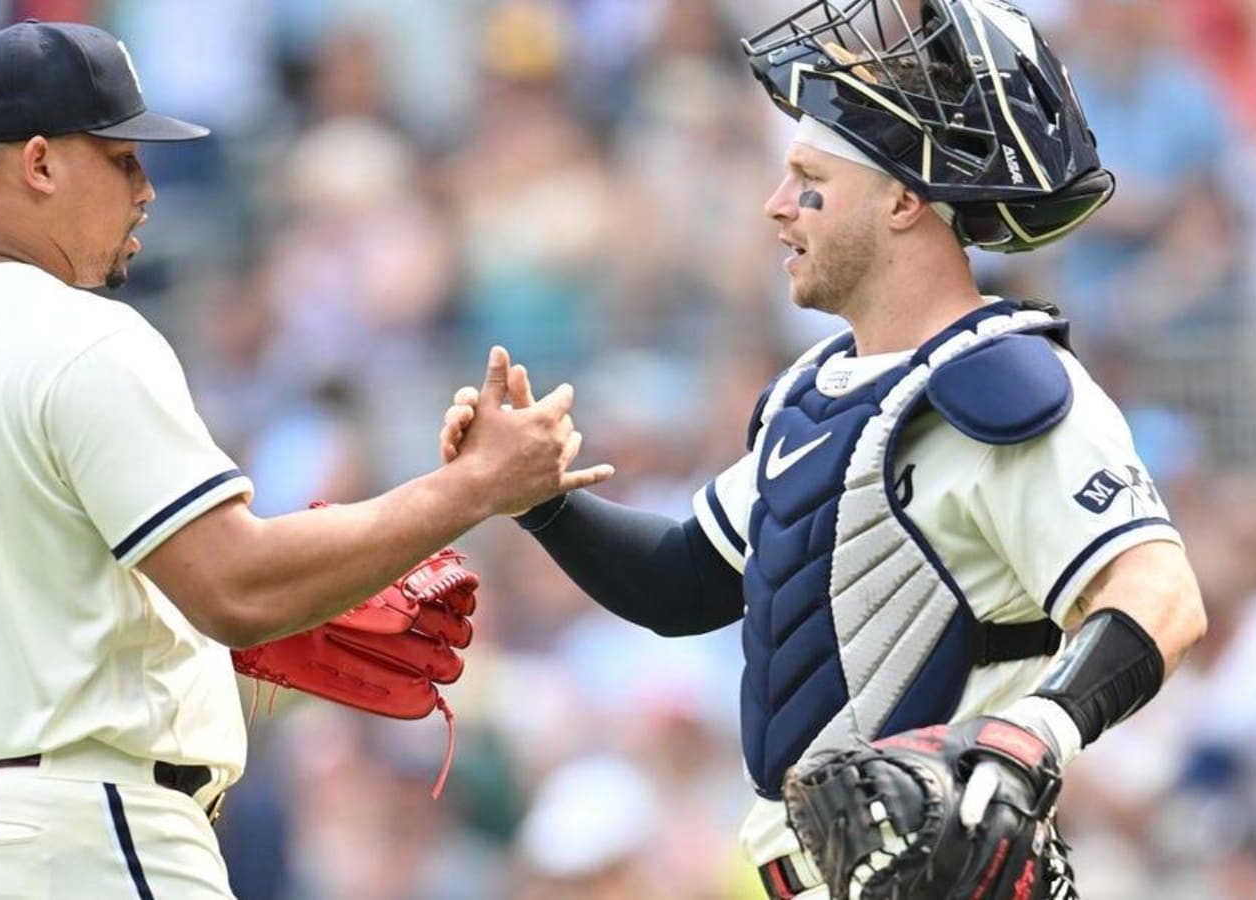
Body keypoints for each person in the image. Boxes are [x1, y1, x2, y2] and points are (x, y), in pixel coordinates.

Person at [0, 20, 610, 900]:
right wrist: (474, 487)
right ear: (38, 164)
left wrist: (106, 614)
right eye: (121, 159)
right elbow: (236, 589)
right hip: (89, 839)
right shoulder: (84, 338)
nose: (147, 189)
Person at [440, 1, 1205, 897]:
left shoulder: (1002, 384)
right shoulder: (820, 387)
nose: (775, 205)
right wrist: (541, 501)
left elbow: (1160, 595)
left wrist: (1033, 734)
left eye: (808, 179)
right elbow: (686, 581)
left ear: (905, 197)